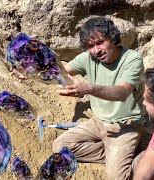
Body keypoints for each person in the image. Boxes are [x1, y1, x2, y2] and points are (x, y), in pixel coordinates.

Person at [53, 17, 146, 179]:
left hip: (125, 126)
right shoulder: (88, 58)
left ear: (113, 38)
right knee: (60, 146)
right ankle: (115, 155)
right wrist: (28, 71)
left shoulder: (132, 59)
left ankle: (137, 157)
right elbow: (58, 72)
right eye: (91, 46)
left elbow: (122, 92)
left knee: (116, 177)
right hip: (97, 122)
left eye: (100, 42)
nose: (97, 50)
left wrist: (89, 88)